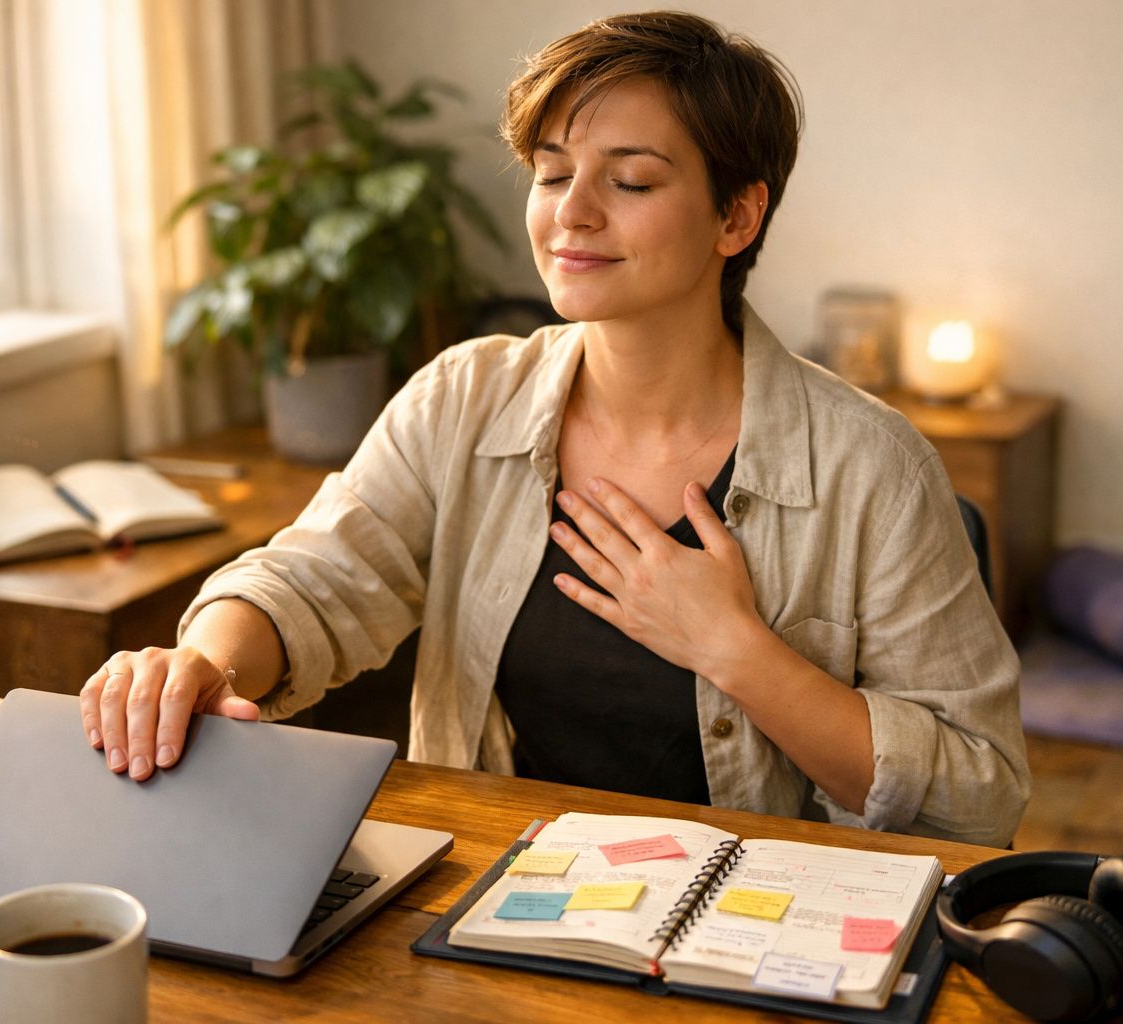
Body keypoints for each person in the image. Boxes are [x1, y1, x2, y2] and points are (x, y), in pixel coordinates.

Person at [80, 11, 1030, 847]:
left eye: (632, 183)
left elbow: (976, 798)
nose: (570, 216)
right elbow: (312, 580)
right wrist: (204, 661)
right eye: (551, 173)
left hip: (754, 926)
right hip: (496, 894)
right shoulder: (462, 396)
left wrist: (735, 649)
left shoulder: (876, 466)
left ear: (736, 217)